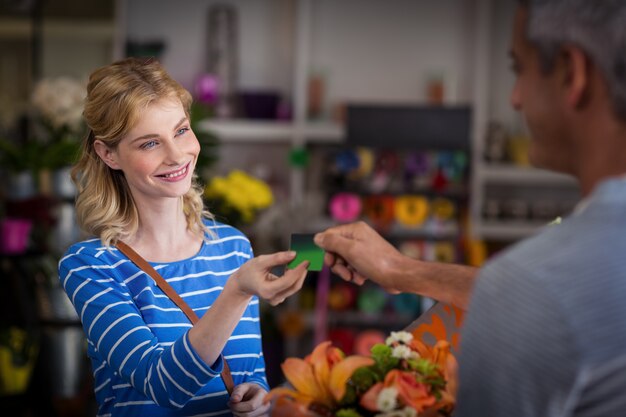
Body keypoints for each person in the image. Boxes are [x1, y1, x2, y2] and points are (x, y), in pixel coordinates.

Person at [315, 0, 626, 415]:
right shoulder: (575, 272)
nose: (514, 99)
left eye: (520, 69)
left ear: (572, 72)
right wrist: (399, 271)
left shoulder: (537, 286)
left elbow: (534, 296)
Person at [58, 57, 309, 417]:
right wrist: (236, 291)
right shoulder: (92, 266)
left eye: (180, 131)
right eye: (149, 144)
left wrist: (259, 398)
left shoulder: (233, 247)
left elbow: (252, 373)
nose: (177, 156)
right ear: (108, 154)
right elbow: (163, 386)